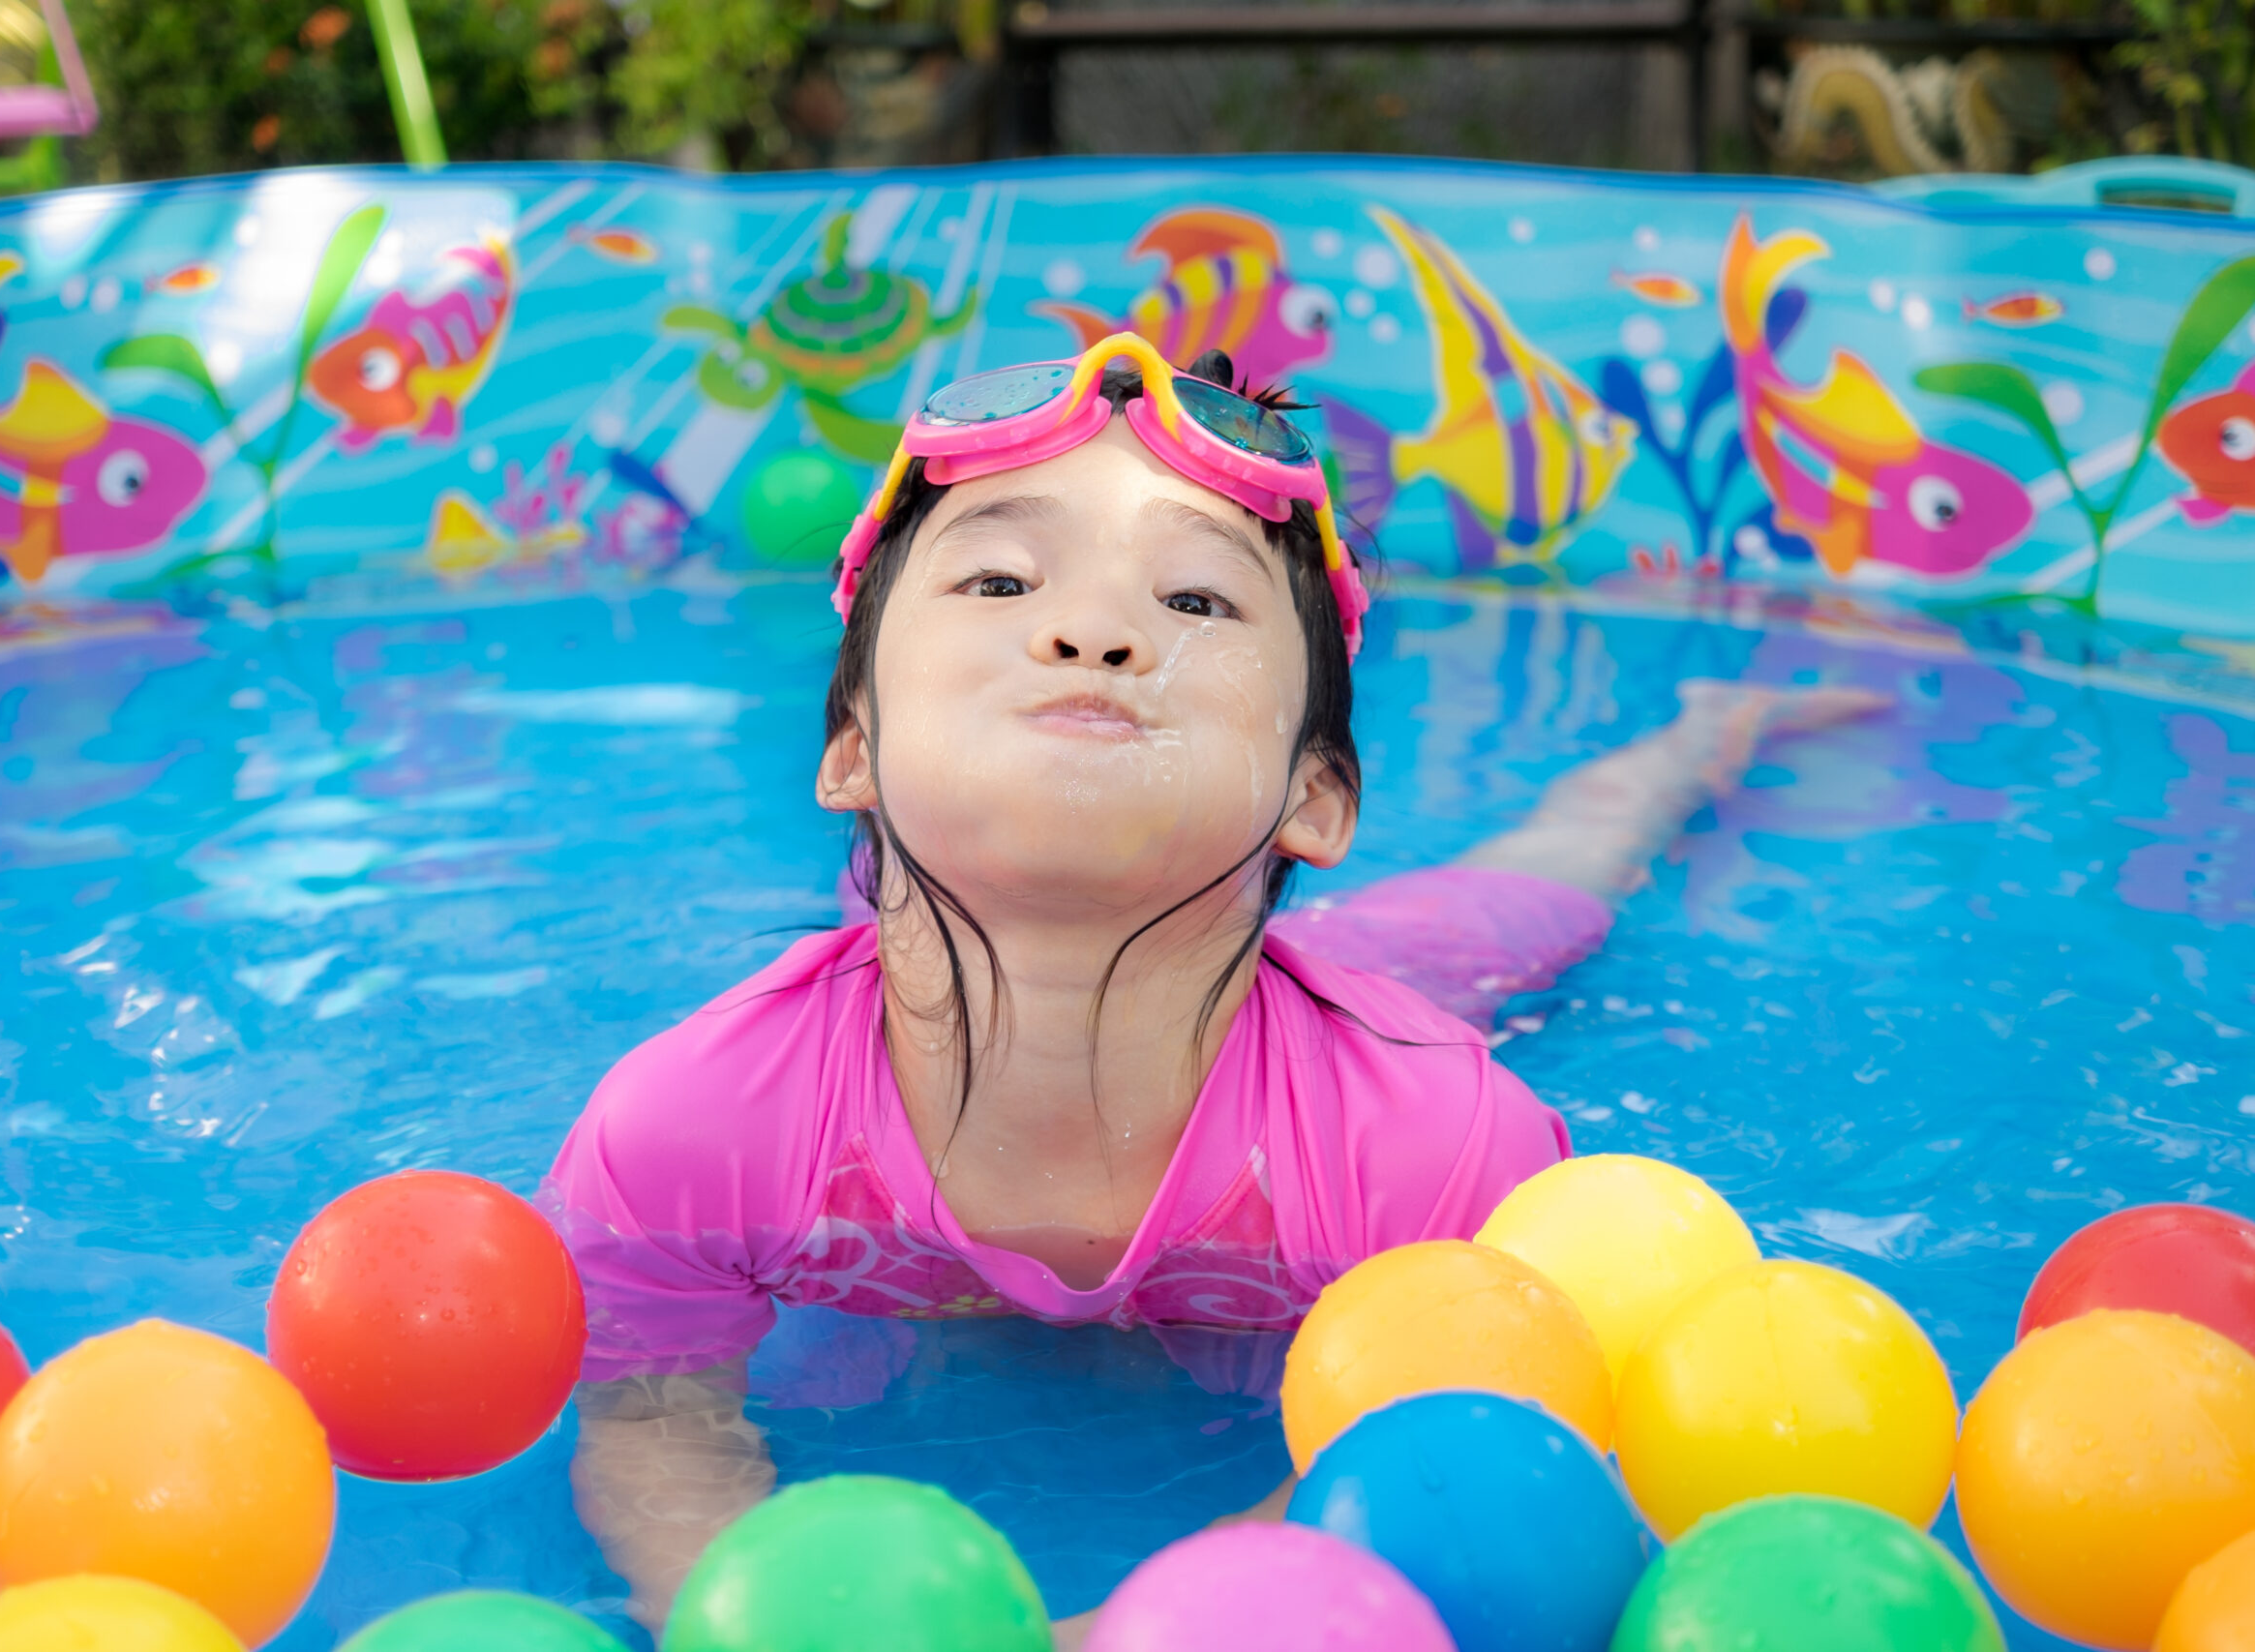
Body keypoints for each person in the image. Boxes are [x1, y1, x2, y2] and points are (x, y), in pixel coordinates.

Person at [539, 335, 1882, 1637]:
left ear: (1315, 794)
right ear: (850, 747)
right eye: (1003, 581)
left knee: (1566, 873)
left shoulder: (1432, 1148)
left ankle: (1705, 736)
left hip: (1337, 1008)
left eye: (1193, 602)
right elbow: (654, 1421)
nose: (1092, 633)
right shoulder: (698, 1126)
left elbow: (1456, 1482)